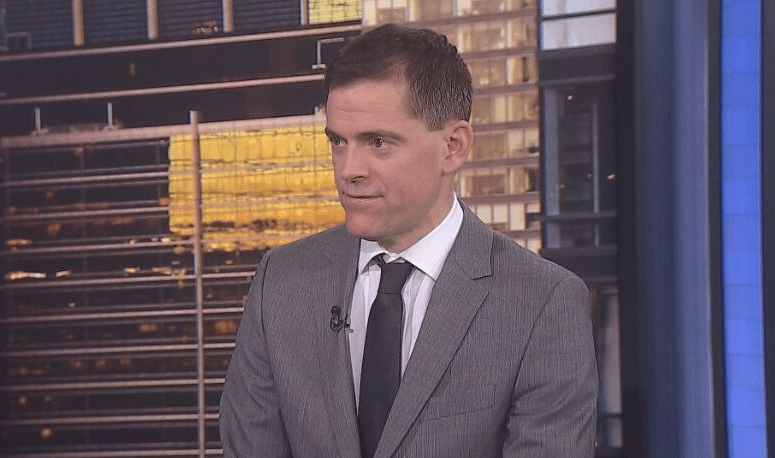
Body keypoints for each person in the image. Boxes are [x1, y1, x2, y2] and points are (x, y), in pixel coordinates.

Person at [219, 23, 597, 458]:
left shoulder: (542, 303)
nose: (348, 170)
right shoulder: (281, 283)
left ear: (453, 147)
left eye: (378, 142)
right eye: (338, 142)